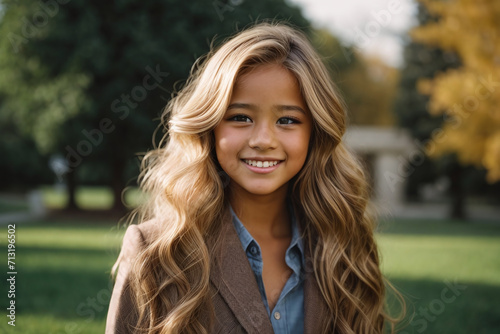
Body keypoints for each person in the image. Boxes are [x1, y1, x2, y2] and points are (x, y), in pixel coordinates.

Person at [106, 22, 403, 334]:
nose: (263, 139)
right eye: (240, 118)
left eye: (287, 120)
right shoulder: (155, 251)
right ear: (210, 128)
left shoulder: (345, 244)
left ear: (315, 132)